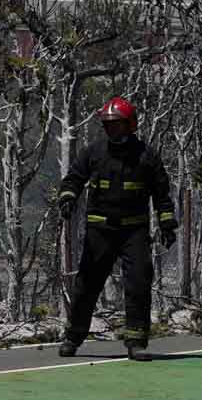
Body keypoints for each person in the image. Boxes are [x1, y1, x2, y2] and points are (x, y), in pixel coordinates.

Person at [55, 96, 177, 362]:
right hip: (100, 230)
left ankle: (136, 341)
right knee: (86, 285)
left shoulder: (146, 156)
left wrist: (167, 222)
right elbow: (74, 178)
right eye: (108, 125)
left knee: (139, 283)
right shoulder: (94, 152)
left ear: (130, 125)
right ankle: (73, 337)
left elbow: (162, 194)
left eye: (117, 125)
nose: (112, 130)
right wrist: (67, 198)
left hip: (134, 232)